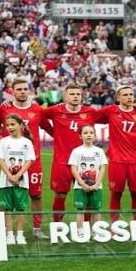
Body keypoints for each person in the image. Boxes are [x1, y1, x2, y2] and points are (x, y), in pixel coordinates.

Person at [0, 78, 53, 239]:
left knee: (36, 195)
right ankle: (4, 229)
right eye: (19, 89)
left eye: (25, 89)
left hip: (33, 161)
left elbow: (48, 128)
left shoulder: (37, 109)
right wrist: (6, 137)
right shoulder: (4, 108)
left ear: (29, 91)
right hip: (10, 162)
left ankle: (37, 229)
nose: (22, 92)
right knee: (7, 197)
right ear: (12, 92)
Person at [44, 84, 100, 223]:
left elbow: (112, 114)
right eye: (72, 94)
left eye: (78, 94)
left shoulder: (91, 112)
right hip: (62, 161)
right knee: (60, 194)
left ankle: (85, 227)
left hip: (84, 163)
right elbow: (38, 115)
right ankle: (58, 226)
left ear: (82, 96)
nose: (75, 96)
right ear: (65, 96)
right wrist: (53, 132)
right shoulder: (55, 110)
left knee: (87, 193)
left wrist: (135, 107)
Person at [97, 85, 136, 222]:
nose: (129, 97)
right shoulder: (110, 110)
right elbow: (91, 116)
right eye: (125, 95)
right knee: (116, 193)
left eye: (131, 94)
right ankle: (115, 225)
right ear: (118, 98)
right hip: (117, 160)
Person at [0, 114, 36, 246]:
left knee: (20, 208)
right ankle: (9, 234)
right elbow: (0, 159)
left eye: (13, 124)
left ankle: (20, 234)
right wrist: (10, 175)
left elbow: (29, 160)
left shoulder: (27, 142)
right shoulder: (3, 142)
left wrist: (18, 175)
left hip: (22, 181)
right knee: (7, 208)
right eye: (7, 125)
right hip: (6, 181)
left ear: (21, 125)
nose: (10, 127)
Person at [68, 125, 108, 233]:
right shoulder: (76, 151)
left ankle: (96, 232)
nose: (89, 135)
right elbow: (74, 169)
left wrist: (97, 184)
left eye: (91, 133)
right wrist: (82, 184)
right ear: (80, 136)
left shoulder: (99, 151)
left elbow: (102, 168)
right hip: (80, 187)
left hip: (96, 187)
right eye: (85, 133)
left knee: (96, 210)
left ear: (95, 135)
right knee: (80, 210)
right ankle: (80, 232)